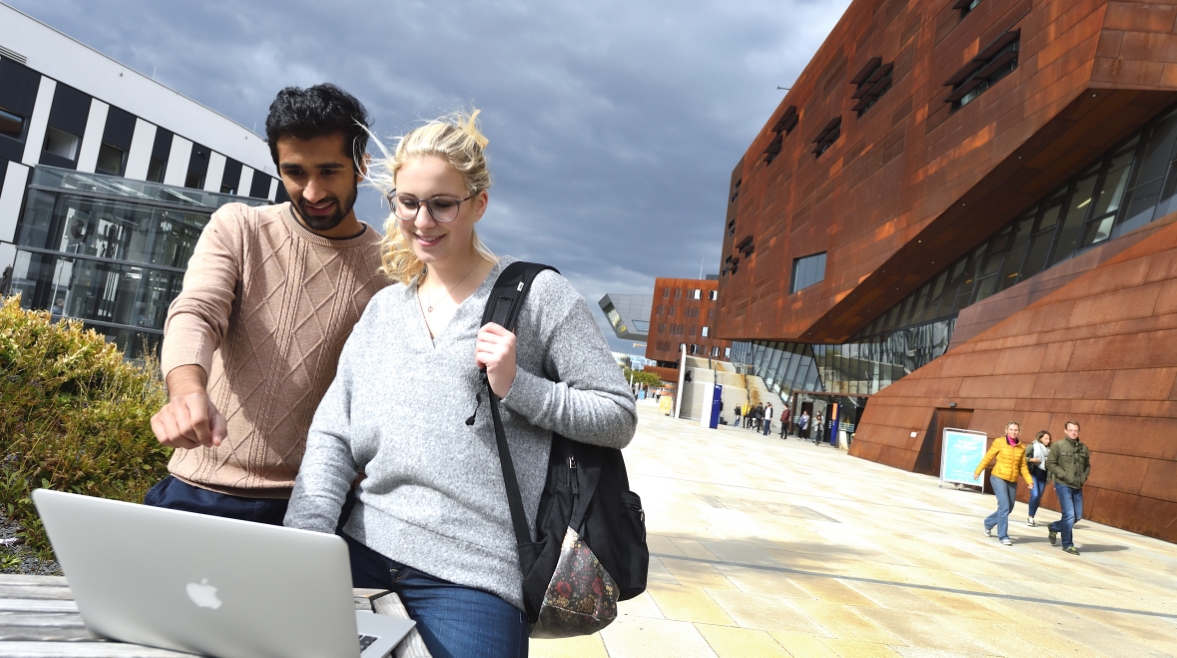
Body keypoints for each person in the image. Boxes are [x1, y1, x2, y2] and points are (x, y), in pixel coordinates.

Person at [284, 110, 637, 656]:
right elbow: (334, 433)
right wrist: (306, 542)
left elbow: (618, 415)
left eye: (441, 204)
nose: (422, 220)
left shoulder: (538, 297)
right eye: (407, 202)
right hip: (362, 546)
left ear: (478, 204)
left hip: (475, 573)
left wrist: (520, 386)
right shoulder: (383, 310)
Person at [146, 84, 387, 524]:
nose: (312, 192)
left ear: (362, 167)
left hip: (319, 505)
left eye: (329, 172)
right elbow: (197, 311)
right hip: (200, 489)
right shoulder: (239, 227)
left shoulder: (392, 266)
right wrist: (186, 392)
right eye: (295, 172)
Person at [973, 421, 1033, 546]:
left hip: (1012, 479)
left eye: (1016, 430)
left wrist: (1029, 481)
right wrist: (978, 471)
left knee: (1009, 507)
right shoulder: (999, 442)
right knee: (1004, 506)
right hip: (998, 477)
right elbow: (988, 457)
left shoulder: (1022, 448)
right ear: (1006, 430)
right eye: (1011, 429)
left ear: (1019, 432)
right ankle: (1003, 536)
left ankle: (988, 523)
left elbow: (1023, 466)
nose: (1013, 432)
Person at [1046, 421, 1090, 555]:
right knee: (1069, 514)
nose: (1073, 432)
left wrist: (1083, 478)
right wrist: (1063, 475)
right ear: (1065, 430)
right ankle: (1068, 544)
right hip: (1063, 484)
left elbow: (1087, 466)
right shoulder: (1058, 446)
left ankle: (1054, 527)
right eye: (1071, 430)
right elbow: (1050, 463)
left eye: (1076, 430)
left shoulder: (1083, 448)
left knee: (1077, 516)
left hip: (1077, 485)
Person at [1025, 430, 1052, 526]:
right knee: (1035, 495)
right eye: (1046, 438)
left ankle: (1031, 516)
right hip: (1033, 474)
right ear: (1040, 438)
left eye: (1049, 439)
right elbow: (1022, 458)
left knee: (1038, 497)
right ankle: (1030, 517)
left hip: (1043, 477)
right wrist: (1032, 459)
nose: (1048, 441)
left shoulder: (1050, 450)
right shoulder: (1032, 447)